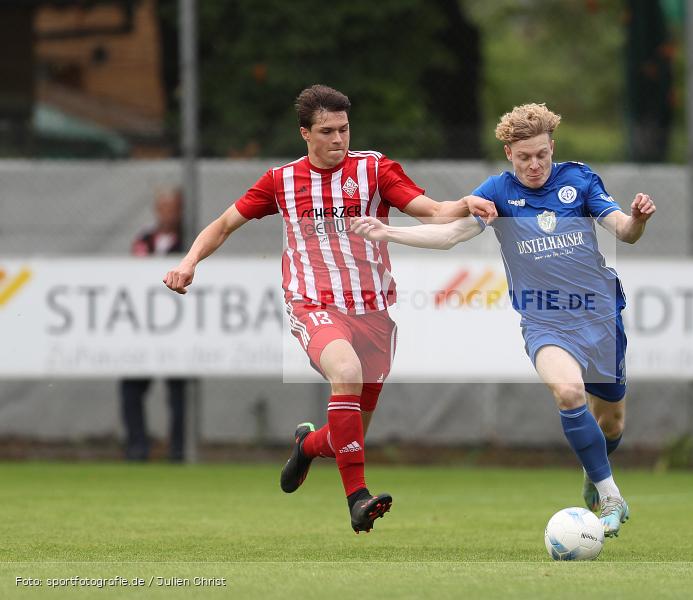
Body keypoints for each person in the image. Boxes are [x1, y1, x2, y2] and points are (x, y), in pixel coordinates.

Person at [163, 84, 488, 533]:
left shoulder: (374, 169)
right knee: (346, 372)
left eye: (344, 129)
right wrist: (188, 262)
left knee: (345, 437)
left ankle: (308, 446)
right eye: (327, 131)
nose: (339, 139)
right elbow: (223, 225)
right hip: (313, 304)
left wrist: (464, 204)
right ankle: (358, 499)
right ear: (305, 133)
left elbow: (432, 212)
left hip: (374, 312)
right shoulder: (281, 181)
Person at [351, 103, 655, 537]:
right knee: (569, 392)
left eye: (542, 155)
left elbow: (624, 231)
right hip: (544, 320)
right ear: (509, 153)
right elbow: (450, 234)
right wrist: (389, 232)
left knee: (611, 424)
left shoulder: (579, 180)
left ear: (552, 148)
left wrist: (638, 219)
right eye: (524, 157)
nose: (534, 165)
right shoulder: (497, 191)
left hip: (600, 315)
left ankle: (595, 470)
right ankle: (611, 496)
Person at [122, 189, 187, 462]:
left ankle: (179, 450)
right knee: (131, 387)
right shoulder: (144, 239)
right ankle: (137, 447)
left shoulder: (189, 240)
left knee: (179, 393)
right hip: (145, 326)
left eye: (172, 208)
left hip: (179, 329)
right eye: (163, 208)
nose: (167, 214)